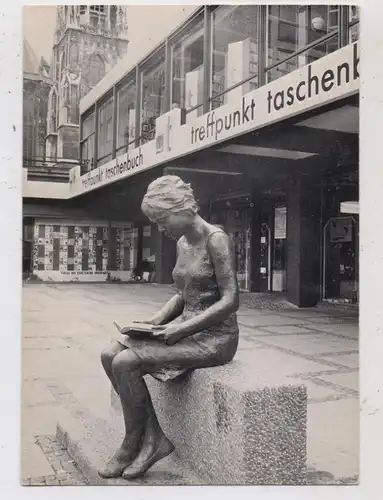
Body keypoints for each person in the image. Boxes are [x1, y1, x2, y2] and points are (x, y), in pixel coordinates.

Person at [99, 175, 239, 480]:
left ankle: (131, 444)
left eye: (162, 220)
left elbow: (230, 300)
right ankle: (153, 440)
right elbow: (182, 293)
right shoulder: (181, 243)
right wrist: (156, 321)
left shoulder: (217, 240)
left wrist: (180, 331)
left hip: (215, 339)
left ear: (181, 208)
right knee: (109, 353)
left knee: (125, 361)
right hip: (186, 330)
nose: (160, 228)